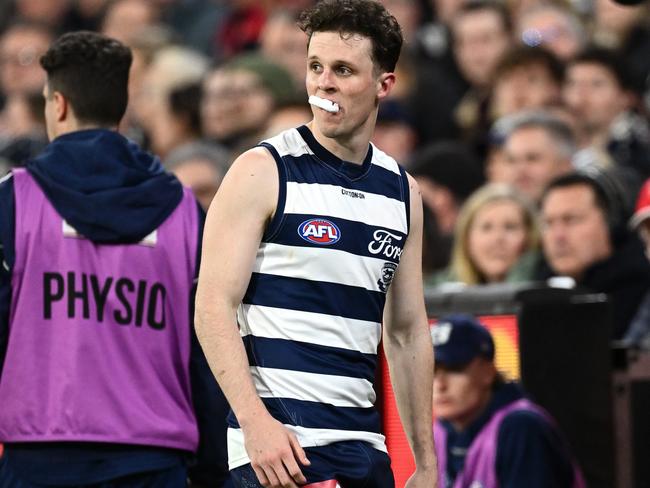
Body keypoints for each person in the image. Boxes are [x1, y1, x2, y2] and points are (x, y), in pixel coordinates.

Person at [194, 1, 437, 487]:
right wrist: (254, 423)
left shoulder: (402, 191)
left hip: (365, 453)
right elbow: (212, 305)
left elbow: (407, 332)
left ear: (383, 85)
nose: (323, 83)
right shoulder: (262, 170)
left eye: (343, 70)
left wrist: (425, 463)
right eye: (315, 67)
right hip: (278, 454)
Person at [0, 31, 229, 486]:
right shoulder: (186, 212)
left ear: (59, 105)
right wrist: (211, 470)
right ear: (122, 110)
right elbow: (208, 348)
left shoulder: (14, 201)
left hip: (41, 458)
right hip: (155, 459)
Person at [431, 314, 586, 488]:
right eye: (431, 371)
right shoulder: (439, 432)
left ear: (488, 372)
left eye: (454, 369)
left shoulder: (521, 428)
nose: (439, 385)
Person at [538, 170, 650, 339]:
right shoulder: (536, 292)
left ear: (610, 223)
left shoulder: (641, 288)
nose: (558, 236)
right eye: (549, 223)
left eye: (571, 220)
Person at [432, 184, 540, 287]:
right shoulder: (438, 291)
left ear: (530, 236)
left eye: (510, 227)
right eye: (486, 228)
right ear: (466, 238)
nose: (498, 238)